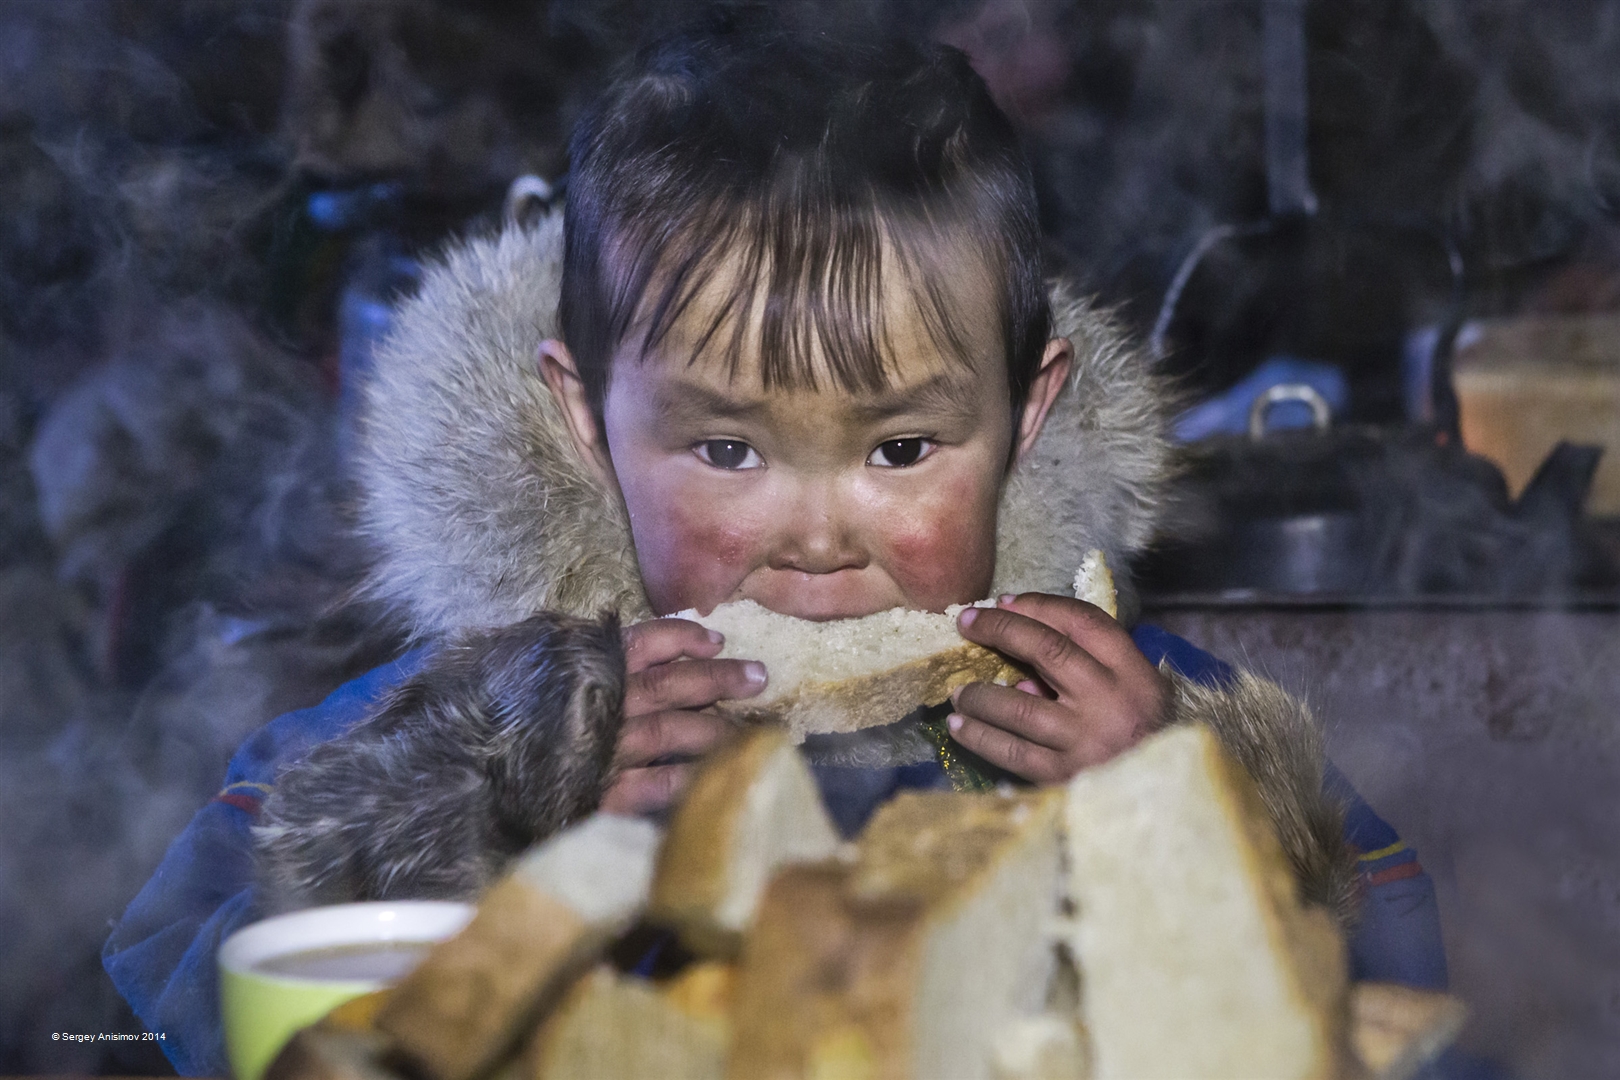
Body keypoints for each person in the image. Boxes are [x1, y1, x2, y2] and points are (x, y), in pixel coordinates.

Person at [105, 14, 1445, 1075]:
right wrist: (477, 803)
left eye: (903, 450)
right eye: (727, 451)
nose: (814, 536)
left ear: (1027, 413)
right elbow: (170, 991)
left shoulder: (1119, 715)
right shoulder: (498, 715)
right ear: (589, 423)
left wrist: (1192, 815)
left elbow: (1399, 998)